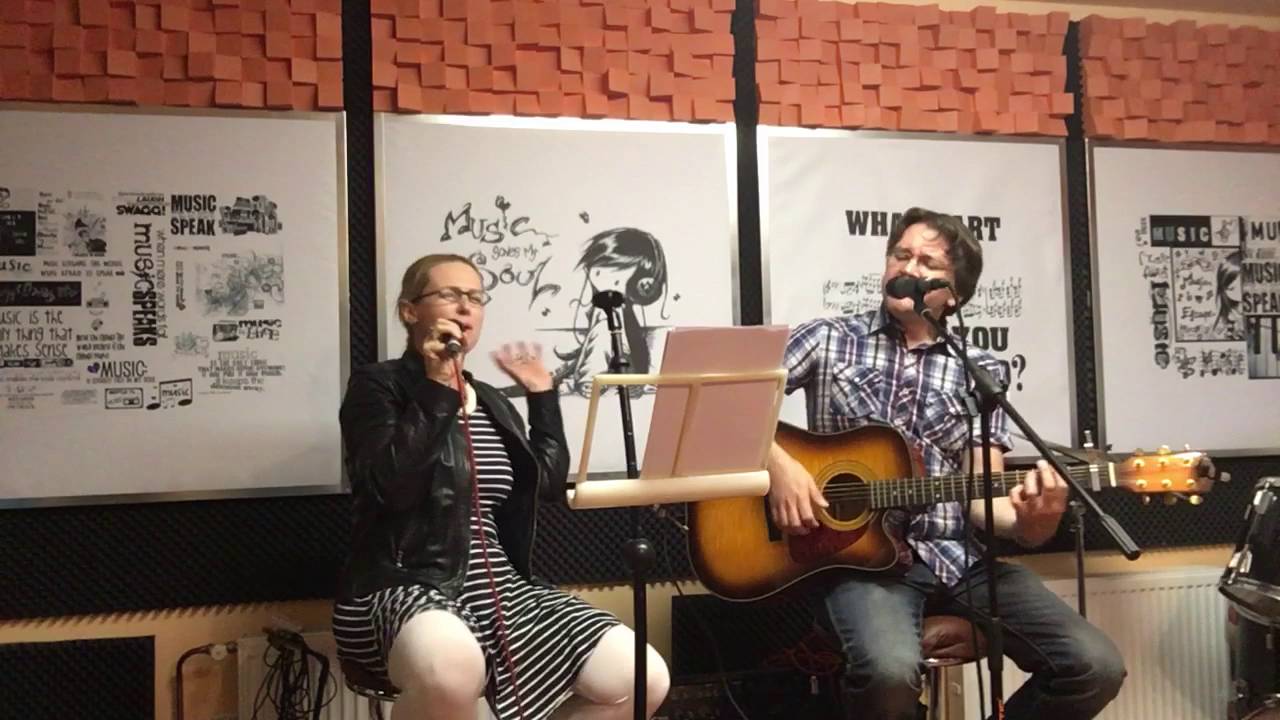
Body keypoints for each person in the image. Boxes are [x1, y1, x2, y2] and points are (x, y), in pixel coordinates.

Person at [767, 208, 1125, 719]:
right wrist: (778, 464)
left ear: (952, 296)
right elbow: (728, 401)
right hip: (861, 562)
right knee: (888, 673)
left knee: (1093, 665)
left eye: (927, 262)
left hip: (959, 560)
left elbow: (983, 501)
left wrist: (1034, 521)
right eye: (900, 254)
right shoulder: (829, 338)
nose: (906, 267)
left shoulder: (980, 369)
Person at [334, 253, 669, 720]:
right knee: (452, 668)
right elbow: (390, 488)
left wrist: (542, 397)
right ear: (410, 311)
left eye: (475, 297)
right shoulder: (378, 386)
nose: (465, 307)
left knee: (643, 677)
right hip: (402, 584)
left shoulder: (489, 399)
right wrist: (437, 384)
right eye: (449, 294)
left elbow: (545, 483)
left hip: (501, 590)